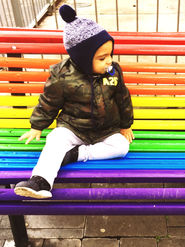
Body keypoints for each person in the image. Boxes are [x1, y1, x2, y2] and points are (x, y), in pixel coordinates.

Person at [14, 4, 134, 199]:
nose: (109, 61)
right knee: (55, 140)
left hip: (106, 130)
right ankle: (40, 181)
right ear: (83, 59)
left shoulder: (113, 72)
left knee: (122, 147)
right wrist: (37, 126)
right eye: (102, 58)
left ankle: (77, 155)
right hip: (73, 128)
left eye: (110, 55)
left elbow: (123, 98)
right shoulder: (62, 75)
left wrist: (125, 125)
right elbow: (49, 102)